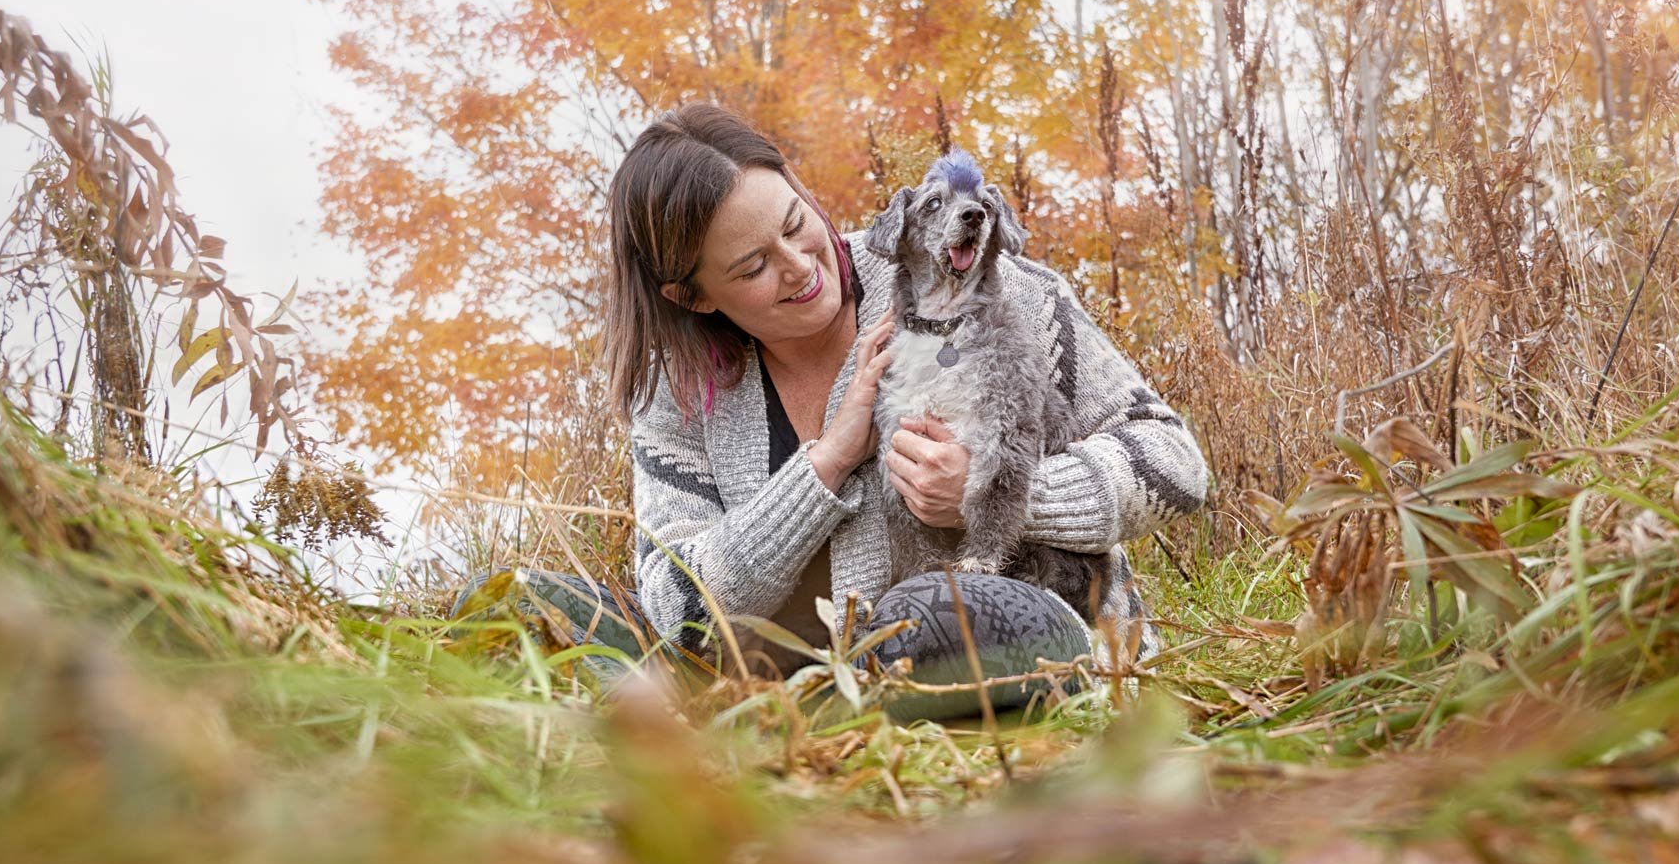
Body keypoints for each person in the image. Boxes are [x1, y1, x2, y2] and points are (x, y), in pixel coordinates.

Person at [455, 101, 1208, 720]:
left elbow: (1174, 462)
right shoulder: (677, 390)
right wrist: (826, 463)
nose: (801, 268)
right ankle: (751, 737)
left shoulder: (972, 280)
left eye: (794, 223)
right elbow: (676, 601)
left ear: (797, 183)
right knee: (512, 607)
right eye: (752, 268)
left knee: (935, 617)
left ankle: (841, 721)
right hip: (769, 690)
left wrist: (988, 492)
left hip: (990, 630)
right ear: (690, 296)